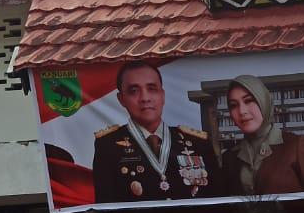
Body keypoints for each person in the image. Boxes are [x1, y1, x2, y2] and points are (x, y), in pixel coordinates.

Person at [91, 60, 217, 202]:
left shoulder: (198, 143)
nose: (145, 98)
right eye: (134, 91)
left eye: (152, 89)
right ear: (121, 99)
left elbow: (217, 203)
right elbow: (107, 207)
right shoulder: (108, 145)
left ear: (162, 95)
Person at [218, 74, 304, 196]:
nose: (242, 111)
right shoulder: (229, 157)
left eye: (248, 101)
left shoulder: (295, 146)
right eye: (234, 105)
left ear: (264, 101)